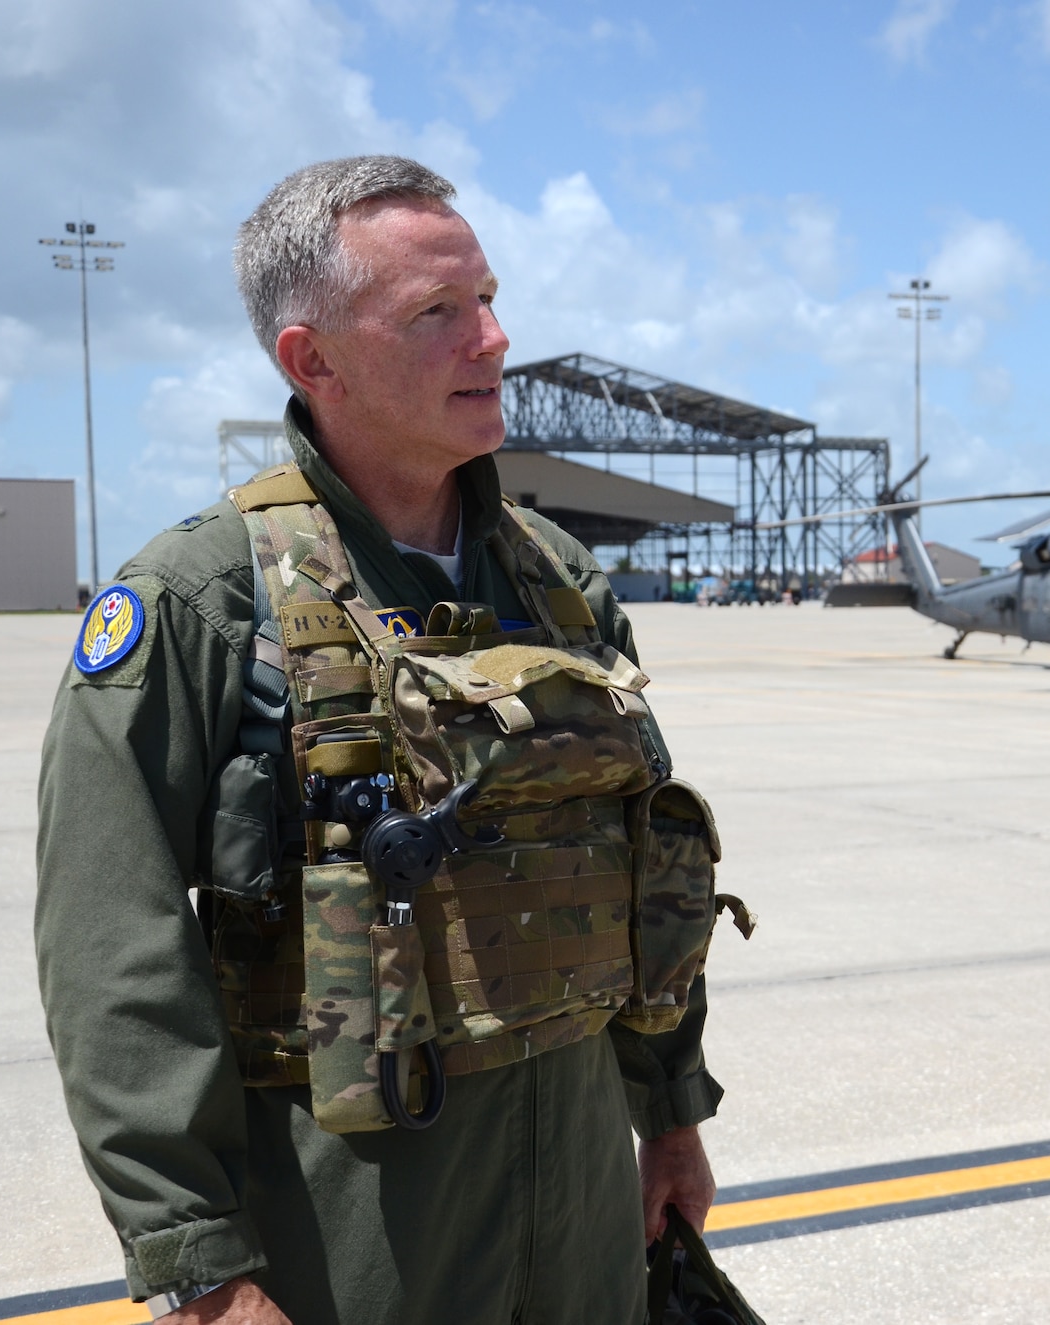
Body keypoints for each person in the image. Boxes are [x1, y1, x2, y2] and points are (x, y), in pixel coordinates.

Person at [36, 156, 723, 1325]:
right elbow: (112, 937)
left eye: (491, 298)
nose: (495, 339)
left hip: (584, 1200)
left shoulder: (556, 578)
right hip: (354, 1222)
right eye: (437, 313)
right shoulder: (203, 596)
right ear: (313, 360)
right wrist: (197, 1261)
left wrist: (666, 1114)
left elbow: (644, 858)